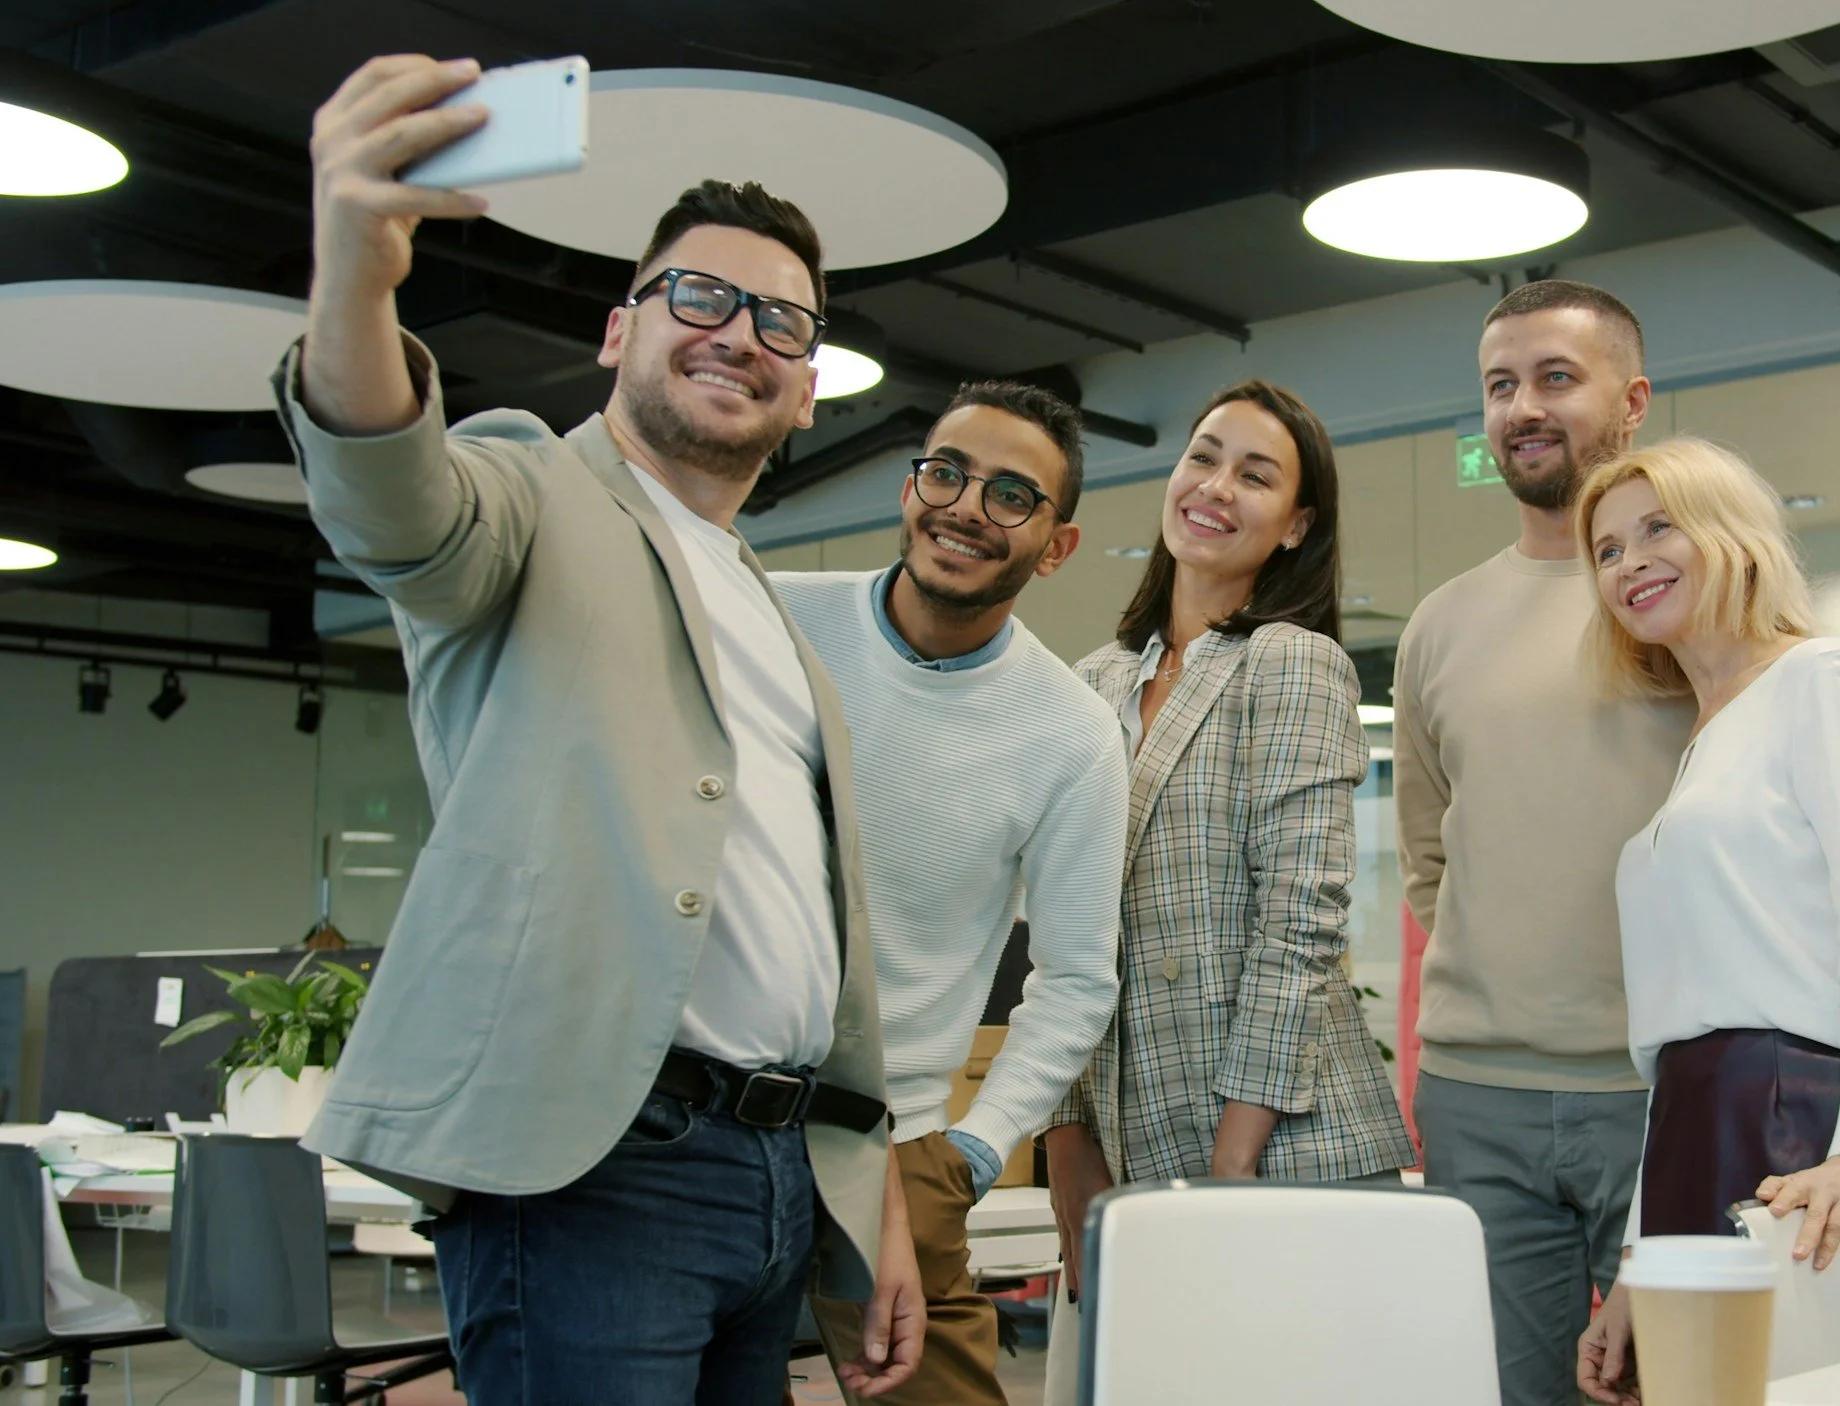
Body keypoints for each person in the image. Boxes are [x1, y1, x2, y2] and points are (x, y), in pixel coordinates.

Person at [286, 56, 919, 1404]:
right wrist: (356, 270)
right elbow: (399, 509)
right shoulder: (530, 490)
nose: (741, 332)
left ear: (811, 391)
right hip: (596, 1163)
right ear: (618, 331)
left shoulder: (778, 621)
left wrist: (877, 1201)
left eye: (783, 323)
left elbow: (817, 953)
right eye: (700, 296)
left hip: (776, 1169)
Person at [1570, 442, 1840, 1405]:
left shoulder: (1823, 683)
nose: (1631, 561)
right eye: (1607, 549)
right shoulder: (1707, 739)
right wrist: (1641, 1255)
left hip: (1815, 1119)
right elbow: (1686, 1031)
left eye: (1658, 527)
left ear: (1730, 534)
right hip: (1701, 1120)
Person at [1038, 380, 1414, 1406]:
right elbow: (1057, 941)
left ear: (1294, 524)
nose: (1215, 485)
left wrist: (1226, 1174)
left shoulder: (1291, 664)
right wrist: (1069, 1154)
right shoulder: (1089, 682)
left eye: (1256, 474)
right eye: (1202, 455)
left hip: (1286, 1150)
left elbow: (1299, 927)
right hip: (1129, 1156)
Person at [774, 379, 1125, 1406]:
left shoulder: (1068, 731)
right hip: (705, 1122)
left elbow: (1072, 977)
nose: (968, 505)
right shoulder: (775, 617)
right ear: (908, 485)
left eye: (1013, 494)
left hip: (896, 1147)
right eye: (948, 472)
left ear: (1055, 544)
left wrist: (972, 1148)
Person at [1395, 281, 1694, 1406]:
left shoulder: (1678, 593)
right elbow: (1430, 854)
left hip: (1663, 1086)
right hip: (1479, 1092)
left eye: (1556, 378)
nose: (1523, 406)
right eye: (1500, 384)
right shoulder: (1439, 622)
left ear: (1632, 400)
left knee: (1677, 1384)